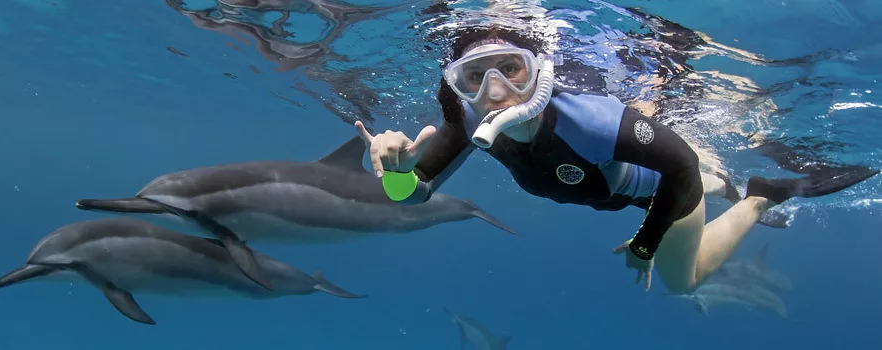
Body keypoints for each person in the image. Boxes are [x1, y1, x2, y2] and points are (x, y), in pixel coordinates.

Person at [352, 24, 879, 294]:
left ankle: (762, 195)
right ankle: (733, 183)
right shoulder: (464, 122)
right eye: (475, 77)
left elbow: (680, 171)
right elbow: (412, 196)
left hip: (662, 196)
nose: (495, 92)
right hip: (621, 180)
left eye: (510, 69)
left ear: (538, 70)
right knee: (696, 167)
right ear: (460, 85)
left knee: (682, 284)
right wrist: (397, 173)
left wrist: (648, 242)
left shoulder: (594, 120)